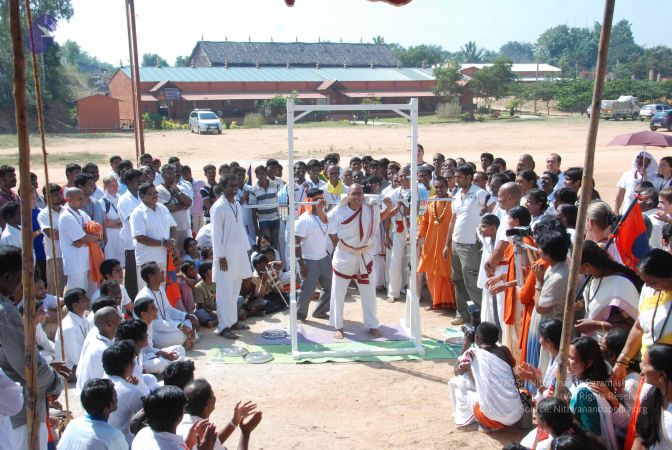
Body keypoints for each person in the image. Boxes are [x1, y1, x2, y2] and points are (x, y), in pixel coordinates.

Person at [0, 246, 64, 449]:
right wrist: (55, 382)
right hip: (19, 413)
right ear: (8, 276)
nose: (23, 282)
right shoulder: (5, 313)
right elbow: (27, 365)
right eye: (22, 276)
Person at [328, 184, 392, 339]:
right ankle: (338, 326)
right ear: (348, 195)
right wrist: (319, 208)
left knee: (369, 292)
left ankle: (372, 325)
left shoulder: (370, 209)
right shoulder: (339, 210)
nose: (357, 197)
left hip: (365, 256)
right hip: (344, 255)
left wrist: (389, 207)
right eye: (354, 194)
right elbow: (325, 220)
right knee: (338, 292)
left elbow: (379, 218)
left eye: (360, 194)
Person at [449, 321, 522, 431]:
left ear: (476, 338)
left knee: (458, 383)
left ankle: (483, 423)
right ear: (497, 339)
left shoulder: (472, 354)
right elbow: (511, 364)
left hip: (491, 418)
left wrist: (466, 344)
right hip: (516, 413)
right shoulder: (504, 351)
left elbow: (456, 371)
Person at [445, 165, 488, 325]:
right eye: (455, 176)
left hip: (471, 245)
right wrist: (447, 244)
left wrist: (482, 232)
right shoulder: (457, 195)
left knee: (472, 281)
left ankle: (481, 318)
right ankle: (462, 313)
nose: (456, 180)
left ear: (469, 177)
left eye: (460, 177)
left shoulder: (480, 193)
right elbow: (453, 221)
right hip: (456, 243)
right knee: (457, 279)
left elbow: (491, 212)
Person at [568, 337, 629, 450]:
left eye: (571, 358)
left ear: (588, 363)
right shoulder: (582, 382)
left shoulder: (584, 393)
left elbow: (591, 434)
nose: (566, 361)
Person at [211, 175, 253, 339]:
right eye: (231, 185)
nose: (235, 188)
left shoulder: (237, 204)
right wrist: (220, 256)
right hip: (225, 256)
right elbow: (216, 234)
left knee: (235, 289)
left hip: (239, 254)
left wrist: (247, 250)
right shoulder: (218, 207)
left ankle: (233, 321)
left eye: (236, 185)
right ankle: (223, 327)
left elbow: (241, 229)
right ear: (223, 187)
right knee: (224, 292)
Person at [576, 240, 641, 338]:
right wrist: (581, 304)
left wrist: (596, 325)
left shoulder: (620, 287)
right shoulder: (593, 277)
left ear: (586, 265)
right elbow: (597, 298)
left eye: (575, 263)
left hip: (616, 345)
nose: (571, 267)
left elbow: (634, 327)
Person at [177, 379, 263, 450]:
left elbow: (213, 444)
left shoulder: (180, 423)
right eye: (213, 395)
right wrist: (245, 433)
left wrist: (234, 422)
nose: (215, 398)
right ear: (208, 403)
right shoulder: (203, 429)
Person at [131, 385, 217, 450]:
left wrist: (189, 442)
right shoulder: (174, 447)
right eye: (183, 408)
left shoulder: (142, 434)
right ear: (179, 418)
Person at [136, 263, 196, 350]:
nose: (163, 271)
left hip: (169, 325)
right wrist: (180, 326)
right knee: (182, 333)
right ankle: (187, 340)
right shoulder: (145, 296)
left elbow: (169, 309)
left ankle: (186, 340)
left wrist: (186, 316)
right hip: (156, 334)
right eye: (159, 270)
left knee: (190, 319)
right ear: (151, 276)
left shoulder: (161, 289)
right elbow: (155, 323)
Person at [295, 188, 334, 322]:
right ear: (309, 201)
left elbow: (334, 236)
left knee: (330, 287)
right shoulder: (303, 220)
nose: (321, 202)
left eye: (322, 199)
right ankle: (300, 316)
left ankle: (320, 312)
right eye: (317, 200)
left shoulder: (325, 217)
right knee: (307, 290)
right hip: (308, 261)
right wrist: (301, 264)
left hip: (324, 258)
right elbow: (296, 244)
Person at [58, 379, 128, 450]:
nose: (117, 399)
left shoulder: (73, 424)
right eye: (115, 395)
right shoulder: (113, 436)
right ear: (109, 405)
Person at [130, 183, 177, 291]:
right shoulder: (137, 213)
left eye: (156, 192)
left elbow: (173, 227)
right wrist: (163, 243)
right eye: (151, 193)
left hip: (163, 258)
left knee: (161, 289)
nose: (155, 195)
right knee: (146, 290)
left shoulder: (162, 208)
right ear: (142, 196)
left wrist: (172, 240)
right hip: (147, 260)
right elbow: (140, 238)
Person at [418, 176, 455, 310]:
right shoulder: (428, 201)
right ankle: (435, 301)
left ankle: (451, 303)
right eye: (437, 187)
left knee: (447, 272)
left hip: (447, 243)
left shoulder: (453, 201)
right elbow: (423, 220)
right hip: (431, 242)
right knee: (431, 273)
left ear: (447, 187)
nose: (439, 189)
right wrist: (419, 235)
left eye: (442, 187)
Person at [59, 187, 101, 296]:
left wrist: (85, 238)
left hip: (89, 260)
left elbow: (97, 231)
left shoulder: (82, 213)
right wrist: (87, 238)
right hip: (76, 264)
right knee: (77, 295)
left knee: (92, 294)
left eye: (83, 198)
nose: (83, 201)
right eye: (79, 199)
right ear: (69, 199)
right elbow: (87, 237)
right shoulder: (66, 217)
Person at [103, 340, 145, 445]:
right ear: (130, 364)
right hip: (122, 443)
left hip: (103, 439)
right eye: (133, 359)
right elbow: (150, 415)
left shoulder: (103, 380)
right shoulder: (131, 391)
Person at [632, 343, 672, 449]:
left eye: (645, 364)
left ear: (661, 375)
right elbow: (641, 437)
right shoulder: (650, 395)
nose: (641, 370)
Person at [76, 306, 121, 390]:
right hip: (95, 394)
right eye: (118, 317)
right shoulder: (102, 350)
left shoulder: (100, 341)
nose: (121, 319)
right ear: (109, 325)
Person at [117, 169, 142, 299]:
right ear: (128, 182)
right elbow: (131, 218)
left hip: (143, 241)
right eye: (136, 181)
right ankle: (130, 302)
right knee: (132, 275)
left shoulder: (142, 197)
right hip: (131, 242)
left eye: (139, 180)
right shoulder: (124, 200)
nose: (139, 183)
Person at [156, 164, 192, 255]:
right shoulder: (158, 190)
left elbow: (189, 203)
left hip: (184, 227)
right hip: (170, 230)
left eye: (173, 173)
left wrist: (176, 189)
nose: (172, 176)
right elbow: (166, 208)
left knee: (184, 254)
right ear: (163, 175)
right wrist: (182, 206)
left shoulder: (180, 188)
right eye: (169, 173)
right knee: (173, 255)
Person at [55, 287, 92, 372]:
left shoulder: (83, 317)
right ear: (75, 305)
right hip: (70, 370)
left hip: (82, 365)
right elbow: (77, 359)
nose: (88, 300)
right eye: (84, 299)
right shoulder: (69, 327)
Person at [39, 183, 66, 296]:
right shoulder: (44, 214)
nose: (59, 196)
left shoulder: (66, 210)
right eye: (55, 194)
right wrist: (71, 232)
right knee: (55, 293)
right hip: (56, 257)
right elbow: (53, 235)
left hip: (70, 255)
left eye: (59, 193)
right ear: (47, 197)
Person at [248, 165, 281, 251]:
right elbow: (253, 211)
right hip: (263, 220)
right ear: (256, 176)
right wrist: (256, 228)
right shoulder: (253, 190)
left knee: (275, 244)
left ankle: (275, 259)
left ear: (266, 174)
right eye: (258, 174)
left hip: (276, 219)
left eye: (263, 173)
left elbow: (282, 200)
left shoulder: (276, 185)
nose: (261, 176)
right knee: (266, 244)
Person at [193, 261, 218, 327]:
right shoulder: (198, 287)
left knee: (239, 299)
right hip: (207, 311)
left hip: (220, 308)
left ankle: (215, 321)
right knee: (199, 313)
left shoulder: (218, 281)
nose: (215, 270)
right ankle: (225, 317)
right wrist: (212, 311)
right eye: (212, 269)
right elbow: (202, 306)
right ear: (205, 273)